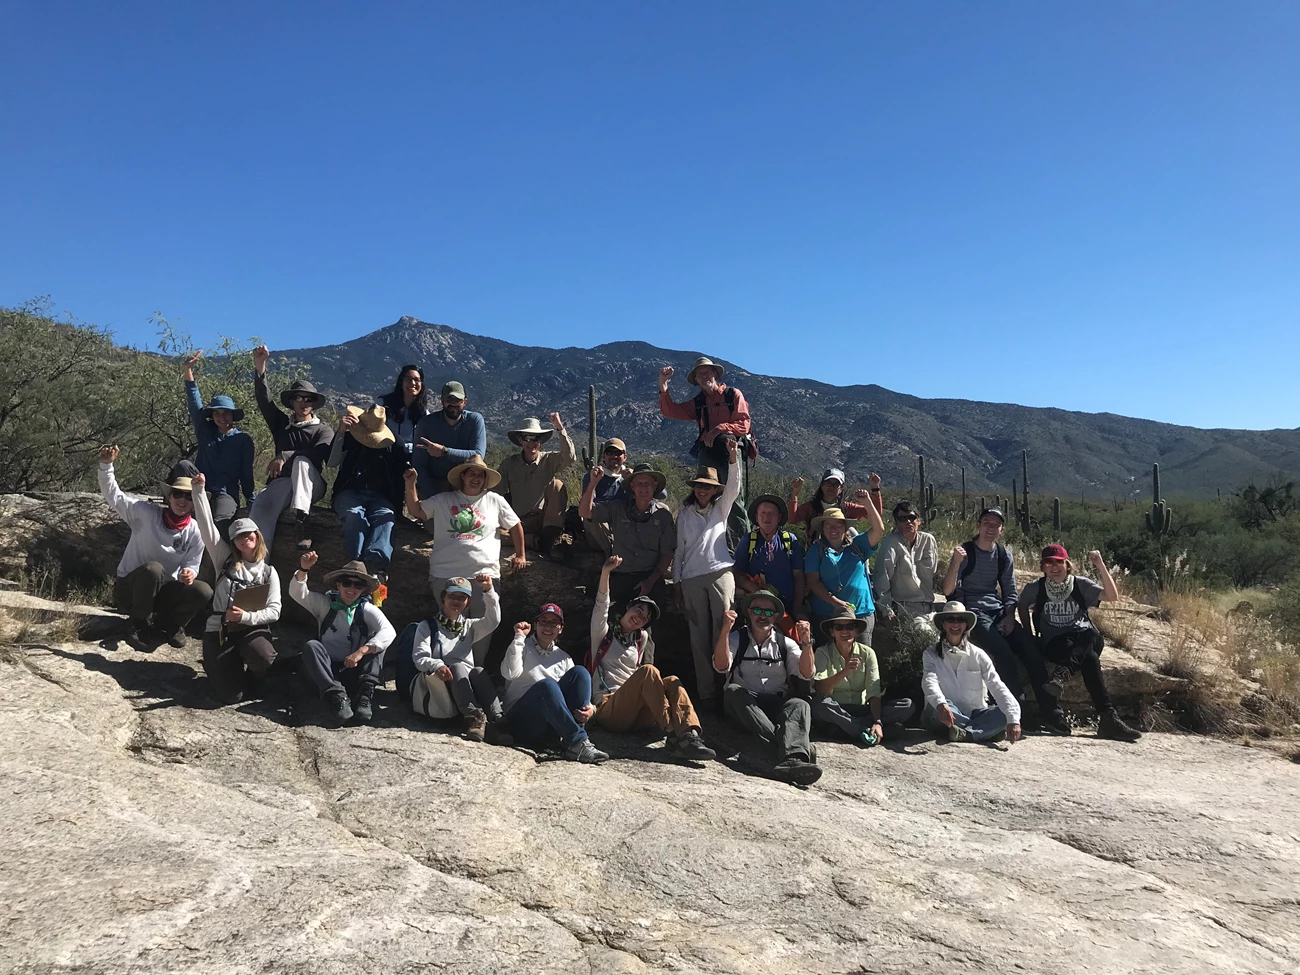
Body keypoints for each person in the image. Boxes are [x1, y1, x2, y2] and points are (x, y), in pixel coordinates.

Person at [941, 507, 1069, 735]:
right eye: (986, 523)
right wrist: (956, 563)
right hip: (973, 614)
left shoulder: (1002, 554)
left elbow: (1010, 590)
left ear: (1001, 530)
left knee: (1031, 653)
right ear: (978, 525)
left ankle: (1052, 713)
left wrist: (1010, 616)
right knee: (1003, 654)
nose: (990, 528)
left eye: (996, 524)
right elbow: (948, 589)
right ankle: (1017, 713)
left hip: (999, 612)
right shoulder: (965, 552)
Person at [586, 556, 715, 760]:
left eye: (645, 618)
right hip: (609, 708)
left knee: (672, 680)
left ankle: (689, 734)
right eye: (638, 610)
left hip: (637, 713)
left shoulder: (640, 639)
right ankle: (673, 732)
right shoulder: (602, 632)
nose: (640, 618)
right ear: (628, 608)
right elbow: (601, 604)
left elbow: (648, 682)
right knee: (648, 671)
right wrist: (606, 573)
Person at [404, 455, 525, 665]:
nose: (476, 478)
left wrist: (520, 554)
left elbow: (515, 525)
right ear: (463, 476)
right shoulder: (443, 500)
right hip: (445, 574)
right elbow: (416, 510)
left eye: (480, 475)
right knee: (451, 626)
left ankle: (473, 671)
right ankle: (447, 669)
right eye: (472, 473)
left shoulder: (495, 501)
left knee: (484, 628)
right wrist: (410, 484)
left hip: (484, 576)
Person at [1018, 545, 1143, 742]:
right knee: (1090, 657)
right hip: (1056, 643)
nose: (1055, 567)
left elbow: (1112, 597)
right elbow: (1022, 605)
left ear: (1068, 565)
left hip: (1085, 637)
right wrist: (1028, 634)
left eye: (1059, 562)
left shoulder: (1080, 585)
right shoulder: (1035, 588)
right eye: (1049, 562)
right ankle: (1108, 719)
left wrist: (1100, 565)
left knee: (1089, 636)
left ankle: (1062, 675)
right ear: (1043, 567)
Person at [98, 446, 212, 651]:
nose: (182, 501)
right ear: (169, 497)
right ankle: (137, 623)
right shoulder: (145, 514)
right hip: (130, 591)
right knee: (154, 569)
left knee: (203, 591)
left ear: (195, 502)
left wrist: (189, 574)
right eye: (178, 494)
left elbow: (192, 565)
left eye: (188, 496)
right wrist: (106, 466)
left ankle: (168, 624)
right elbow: (113, 496)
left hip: (162, 593)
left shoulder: (195, 530)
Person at [713, 590, 821, 786]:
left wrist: (806, 644)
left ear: (776, 617)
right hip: (745, 705)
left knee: (799, 704)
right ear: (749, 613)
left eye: (769, 612)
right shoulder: (737, 638)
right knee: (733, 692)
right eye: (757, 610)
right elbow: (721, 666)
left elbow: (806, 674)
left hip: (775, 704)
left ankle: (788, 759)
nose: (763, 616)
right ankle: (792, 751)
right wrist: (725, 631)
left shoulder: (786, 643)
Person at [190, 473, 281, 704]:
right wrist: (199, 491)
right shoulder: (224, 560)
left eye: (248, 534)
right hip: (219, 630)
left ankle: (254, 674)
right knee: (232, 697)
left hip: (251, 629)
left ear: (257, 536)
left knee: (264, 656)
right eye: (238, 537)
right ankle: (224, 669)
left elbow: (275, 611)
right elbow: (206, 527)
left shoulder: (269, 572)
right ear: (233, 542)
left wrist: (246, 617)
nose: (243, 539)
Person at [674, 440, 741, 712]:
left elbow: (734, 487)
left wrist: (734, 458)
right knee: (698, 636)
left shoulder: (720, 509)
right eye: (700, 485)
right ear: (695, 487)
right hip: (691, 579)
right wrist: (676, 583)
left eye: (709, 486)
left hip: (720, 573)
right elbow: (679, 550)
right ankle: (706, 694)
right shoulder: (685, 514)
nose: (703, 490)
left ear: (715, 490)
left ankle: (728, 690)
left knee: (722, 632)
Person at [290, 553, 396, 726]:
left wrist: (361, 652)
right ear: (338, 585)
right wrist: (304, 569)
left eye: (358, 585)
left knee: (377, 645)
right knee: (311, 646)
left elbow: (388, 631)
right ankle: (337, 697)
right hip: (328, 673)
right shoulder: (325, 603)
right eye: (347, 583)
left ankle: (364, 696)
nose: (351, 588)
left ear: (363, 590)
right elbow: (298, 594)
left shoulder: (366, 609)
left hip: (355, 672)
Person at [658, 356, 753, 545]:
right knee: (705, 496)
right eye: (699, 374)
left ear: (715, 373)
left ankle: (741, 548)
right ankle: (710, 544)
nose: (703, 376)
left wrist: (719, 429)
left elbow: (744, 425)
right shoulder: (699, 402)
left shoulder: (733, 394)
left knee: (733, 498)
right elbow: (671, 411)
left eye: (706, 371)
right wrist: (663, 384)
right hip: (708, 452)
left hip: (730, 453)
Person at [249, 345, 334, 553]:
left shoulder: (324, 430)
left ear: (313, 403)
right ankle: (256, 566)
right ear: (292, 402)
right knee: (260, 507)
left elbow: (317, 455)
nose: (303, 402)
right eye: (299, 398)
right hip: (283, 484)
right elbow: (264, 401)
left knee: (301, 462)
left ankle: (302, 522)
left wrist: (285, 455)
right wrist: (260, 366)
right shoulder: (282, 426)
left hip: (312, 485)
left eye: (308, 399)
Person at [501, 605, 609, 764]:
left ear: (560, 629)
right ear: (535, 625)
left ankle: (575, 738)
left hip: (551, 726)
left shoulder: (564, 658)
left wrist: (591, 709)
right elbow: (510, 673)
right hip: (521, 721)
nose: (548, 627)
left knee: (580, 672)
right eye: (543, 621)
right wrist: (518, 637)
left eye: (553, 623)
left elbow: (577, 690)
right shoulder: (522, 646)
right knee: (547, 686)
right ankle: (577, 741)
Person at [407, 575, 507, 742]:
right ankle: (473, 716)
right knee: (458, 667)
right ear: (443, 597)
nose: (456, 601)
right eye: (452, 596)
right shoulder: (428, 626)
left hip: (466, 684)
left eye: (462, 597)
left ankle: (498, 719)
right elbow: (420, 657)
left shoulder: (469, 626)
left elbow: (493, 620)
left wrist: (489, 590)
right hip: (440, 682)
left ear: (467, 602)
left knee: (478, 671)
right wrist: (437, 665)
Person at [921, 601, 1022, 745]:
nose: (955, 624)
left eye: (960, 620)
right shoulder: (930, 654)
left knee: (1006, 713)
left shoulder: (979, 655)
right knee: (934, 707)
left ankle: (967, 733)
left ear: (966, 625)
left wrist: (1013, 720)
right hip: (944, 712)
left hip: (975, 713)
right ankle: (982, 731)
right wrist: (941, 704)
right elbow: (929, 682)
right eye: (951, 619)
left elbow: (997, 685)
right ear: (943, 624)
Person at [579, 462, 676, 610]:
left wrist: (650, 581)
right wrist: (593, 484)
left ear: (655, 486)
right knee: (607, 619)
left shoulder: (663, 516)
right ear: (632, 486)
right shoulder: (617, 508)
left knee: (652, 624)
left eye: (647, 484)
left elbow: (667, 553)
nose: (643, 488)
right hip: (620, 576)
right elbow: (585, 512)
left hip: (649, 577)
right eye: (639, 484)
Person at [181, 351, 255, 541]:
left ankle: (220, 563)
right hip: (199, 484)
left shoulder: (243, 440)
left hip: (225, 492)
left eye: (226, 413)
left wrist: (251, 499)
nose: (221, 417)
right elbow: (193, 402)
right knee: (183, 466)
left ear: (232, 416)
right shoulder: (205, 431)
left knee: (221, 523)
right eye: (217, 414)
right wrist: (188, 370)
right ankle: (177, 503)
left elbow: (246, 473)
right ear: (212, 416)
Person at [812, 610, 913, 746]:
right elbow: (820, 689)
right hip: (837, 708)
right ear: (832, 632)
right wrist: (845, 672)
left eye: (850, 627)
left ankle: (850, 729)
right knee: (819, 705)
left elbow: (874, 690)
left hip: (863, 710)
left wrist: (877, 721)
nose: (845, 631)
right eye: (839, 627)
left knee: (907, 705)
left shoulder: (867, 653)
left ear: (856, 631)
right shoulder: (822, 652)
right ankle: (865, 730)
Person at [328, 404, 405, 577]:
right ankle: (356, 565)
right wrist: (340, 432)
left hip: (381, 497)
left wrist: (398, 509)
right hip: (348, 493)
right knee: (355, 516)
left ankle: (374, 567)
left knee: (386, 520)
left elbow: (399, 480)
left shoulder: (394, 444)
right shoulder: (350, 438)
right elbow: (332, 462)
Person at [804, 502, 887, 644]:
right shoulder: (816, 550)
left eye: (838, 525)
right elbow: (813, 582)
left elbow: (878, 530)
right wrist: (836, 603)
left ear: (845, 527)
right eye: (828, 525)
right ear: (822, 529)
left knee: (860, 659)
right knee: (828, 661)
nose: (833, 529)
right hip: (827, 616)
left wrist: (867, 501)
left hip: (860, 614)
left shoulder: (858, 545)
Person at [497, 414, 576, 558]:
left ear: (541, 441)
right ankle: (534, 542)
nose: (531, 443)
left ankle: (548, 538)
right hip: (517, 522)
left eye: (536, 438)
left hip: (543, 520)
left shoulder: (549, 460)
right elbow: (495, 491)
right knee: (493, 533)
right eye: (527, 438)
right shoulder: (509, 464)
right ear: (520, 440)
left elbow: (569, 457)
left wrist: (560, 428)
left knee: (557, 485)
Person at [570, 437, 667, 554]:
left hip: (630, 526)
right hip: (604, 527)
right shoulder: (594, 476)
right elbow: (589, 507)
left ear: (625, 457)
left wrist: (635, 480)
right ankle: (612, 556)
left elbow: (662, 495)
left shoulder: (630, 477)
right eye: (609, 453)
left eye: (618, 453)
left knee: (662, 508)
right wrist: (594, 482)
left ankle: (659, 549)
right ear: (603, 456)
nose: (614, 456)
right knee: (593, 516)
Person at [733, 493, 806, 631]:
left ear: (779, 517)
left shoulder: (789, 540)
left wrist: (797, 609)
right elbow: (736, 573)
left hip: (786, 610)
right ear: (756, 517)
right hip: (756, 611)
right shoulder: (748, 540)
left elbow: (798, 576)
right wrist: (758, 591)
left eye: (771, 513)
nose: (767, 517)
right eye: (763, 513)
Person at [412, 381, 487, 497]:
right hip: (435, 485)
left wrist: (444, 452)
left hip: (465, 486)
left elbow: (477, 455)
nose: (453, 404)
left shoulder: (475, 420)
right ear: (442, 401)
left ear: (465, 402)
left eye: (458, 400)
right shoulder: (426, 424)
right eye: (449, 400)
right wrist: (433, 496)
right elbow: (419, 465)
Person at [874, 500, 940, 622]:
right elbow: (881, 577)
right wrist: (886, 610)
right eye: (902, 518)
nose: (908, 521)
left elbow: (934, 571)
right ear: (896, 523)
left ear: (918, 520)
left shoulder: (928, 540)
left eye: (911, 517)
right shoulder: (891, 543)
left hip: (930, 608)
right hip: (906, 608)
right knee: (929, 636)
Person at [788, 469, 883, 540]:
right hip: (816, 554)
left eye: (835, 485)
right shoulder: (810, 507)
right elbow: (792, 519)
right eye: (828, 483)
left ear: (841, 489)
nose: (831, 487)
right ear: (822, 486)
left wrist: (875, 490)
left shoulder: (847, 508)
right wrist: (794, 494)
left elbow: (876, 514)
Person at [375, 364, 429, 465]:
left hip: (410, 463)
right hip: (383, 460)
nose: (413, 383)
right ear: (401, 382)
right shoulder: (383, 404)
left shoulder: (424, 414)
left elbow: (423, 445)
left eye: (417, 380)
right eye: (408, 379)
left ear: (421, 384)